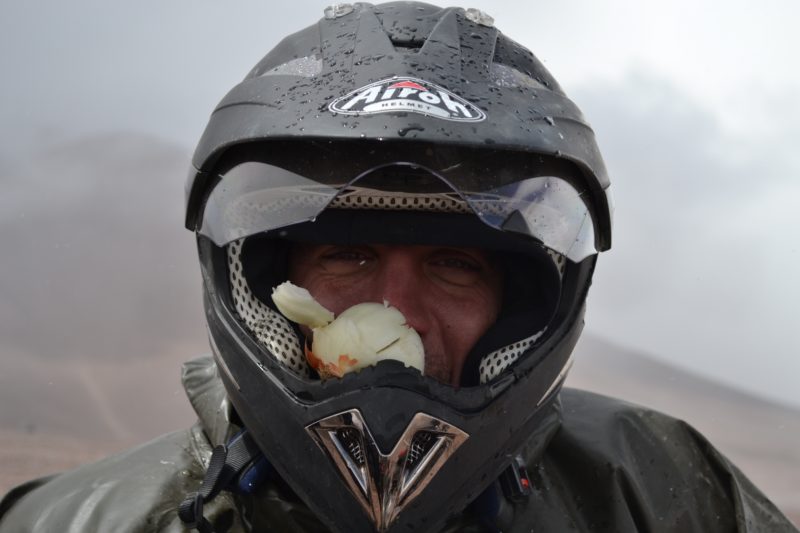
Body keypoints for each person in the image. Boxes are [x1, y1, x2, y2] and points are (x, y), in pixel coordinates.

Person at [0, 3, 796, 532]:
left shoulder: (664, 498)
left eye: (454, 264)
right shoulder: (74, 522)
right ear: (266, 288)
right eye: (348, 255)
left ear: (517, 308)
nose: (400, 311)